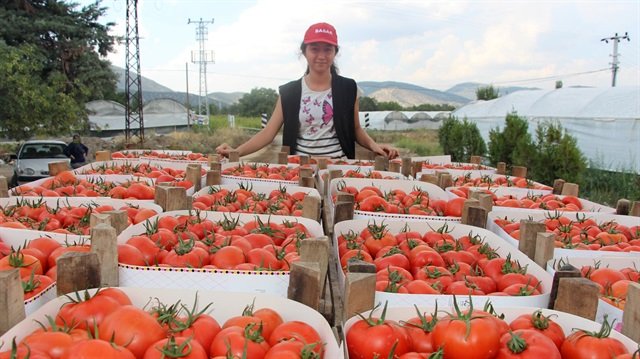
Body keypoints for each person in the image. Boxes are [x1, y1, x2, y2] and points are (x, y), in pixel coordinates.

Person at [216, 22, 398, 160]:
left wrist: (375, 146)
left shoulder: (348, 88)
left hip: (339, 171)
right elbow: (268, 133)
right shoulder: (289, 92)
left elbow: (356, 129)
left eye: (328, 49)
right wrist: (236, 152)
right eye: (314, 49)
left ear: (335, 52)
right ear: (304, 52)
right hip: (300, 171)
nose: (321, 55)